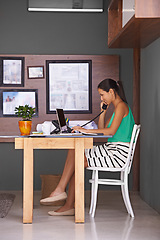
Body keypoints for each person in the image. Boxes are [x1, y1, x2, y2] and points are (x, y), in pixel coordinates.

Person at [40, 78, 135, 216]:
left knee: (77, 155)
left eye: (102, 95)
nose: (101, 98)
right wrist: (103, 111)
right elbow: (103, 129)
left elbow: (111, 132)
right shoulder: (117, 108)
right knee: (76, 152)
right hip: (112, 149)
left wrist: (85, 131)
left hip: (118, 154)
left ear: (111, 92)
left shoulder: (121, 106)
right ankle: (65, 198)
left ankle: (64, 198)